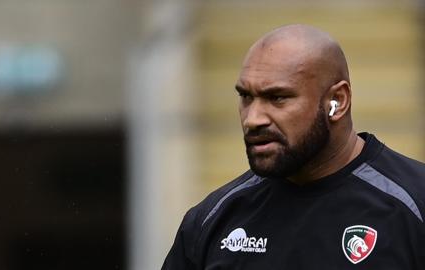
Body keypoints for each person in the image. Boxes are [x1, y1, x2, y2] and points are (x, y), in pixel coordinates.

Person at [161, 24, 425, 269]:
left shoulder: (414, 204)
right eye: (246, 97)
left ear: (337, 101)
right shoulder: (212, 220)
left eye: (277, 97)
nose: (253, 119)